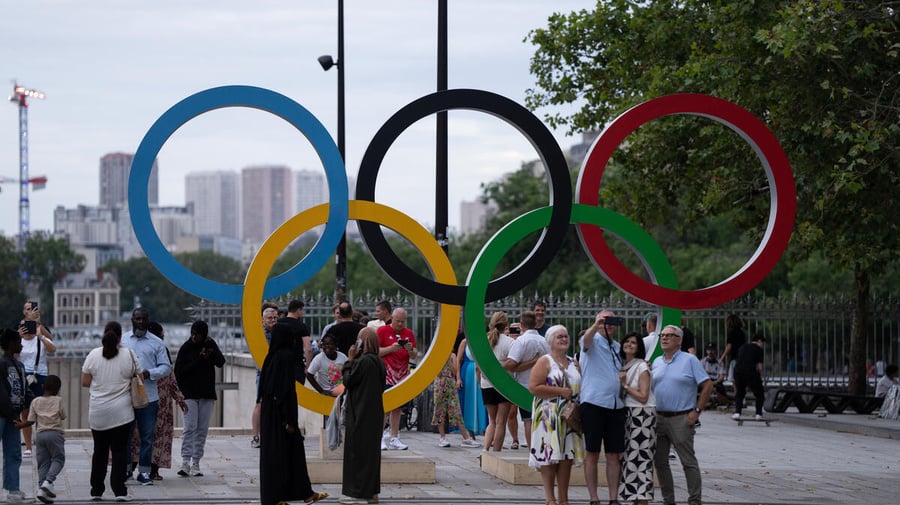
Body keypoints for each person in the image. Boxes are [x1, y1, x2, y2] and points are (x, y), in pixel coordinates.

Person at [258, 323, 327, 505]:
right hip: (282, 415)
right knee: (290, 455)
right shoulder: (286, 357)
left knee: (278, 455)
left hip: (271, 413)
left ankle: (295, 494)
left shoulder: (271, 357)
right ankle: (282, 497)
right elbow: (285, 390)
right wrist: (288, 420)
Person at [651, 325, 713, 505]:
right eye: (662, 335)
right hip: (659, 417)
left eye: (669, 335)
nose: (664, 338)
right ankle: (668, 500)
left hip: (681, 417)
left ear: (679, 340)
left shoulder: (689, 360)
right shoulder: (657, 362)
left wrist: (697, 411)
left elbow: (708, 385)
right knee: (660, 462)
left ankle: (694, 500)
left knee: (688, 461)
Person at [82, 321, 140, 502]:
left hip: (98, 413)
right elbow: (139, 375)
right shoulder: (129, 354)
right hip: (122, 413)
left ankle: (97, 490)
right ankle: (120, 491)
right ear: (120, 337)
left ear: (104, 334)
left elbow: (85, 381)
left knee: (99, 451)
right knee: (119, 452)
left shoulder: (93, 355)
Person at [528, 324, 584, 505]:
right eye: (560, 336)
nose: (564, 339)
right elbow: (534, 387)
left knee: (566, 457)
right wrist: (560, 391)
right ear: (551, 341)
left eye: (566, 336)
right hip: (548, 416)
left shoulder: (574, 362)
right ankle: (550, 499)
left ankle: (563, 499)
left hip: (569, 416)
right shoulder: (545, 361)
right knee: (549, 456)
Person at [578, 310, 626, 505]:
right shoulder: (591, 341)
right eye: (606, 320)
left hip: (616, 404)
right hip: (594, 402)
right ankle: (594, 497)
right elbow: (585, 341)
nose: (609, 324)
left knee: (614, 453)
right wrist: (596, 325)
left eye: (612, 320)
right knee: (592, 452)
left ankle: (613, 498)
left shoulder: (617, 346)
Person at [120, 307, 171, 485]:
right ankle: (126, 470)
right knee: (125, 436)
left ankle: (144, 472)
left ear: (148, 321)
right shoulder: (123, 340)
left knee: (147, 437)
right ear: (132, 320)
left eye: (143, 319)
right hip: (126, 395)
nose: (141, 322)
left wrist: (150, 373)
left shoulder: (157, 342)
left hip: (149, 397)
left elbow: (166, 367)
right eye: (138, 319)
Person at [174, 320, 225, 478]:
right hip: (189, 394)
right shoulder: (186, 348)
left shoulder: (209, 345)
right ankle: (185, 462)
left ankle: (196, 462)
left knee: (202, 429)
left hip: (206, 394)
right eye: (193, 333)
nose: (194, 337)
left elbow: (221, 362)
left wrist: (212, 348)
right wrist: (199, 359)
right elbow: (179, 372)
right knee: (190, 427)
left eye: (198, 334)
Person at [340, 327, 386, 505]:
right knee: (371, 455)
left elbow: (348, 380)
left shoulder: (363, 361)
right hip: (374, 414)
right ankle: (371, 492)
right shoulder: (378, 361)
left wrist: (349, 360)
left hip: (360, 413)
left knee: (357, 453)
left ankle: (357, 493)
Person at [137, 322, 187, 481]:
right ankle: (152, 470)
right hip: (160, 404)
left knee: (142, 435)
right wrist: (180, 399)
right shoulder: (161, 350)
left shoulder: (141, 352)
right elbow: (171, 379)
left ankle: (138, 468)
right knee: (158, 437)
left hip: (144, 401)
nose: (163, 336)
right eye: (161, 334)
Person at [503, 310, 550, 451]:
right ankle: (544, 449)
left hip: (524, 385)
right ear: (535, 323)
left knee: (528, 420)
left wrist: (520, 366)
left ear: (521, 324)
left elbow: (511, 364)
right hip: (543, 385)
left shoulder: (521, 341)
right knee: (542, 419)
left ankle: (532, 451)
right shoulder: (544, 341)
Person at [618, 332, 656, 505]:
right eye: (626, 341)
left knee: (641, 460)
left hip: (642, 416)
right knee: (631, 459)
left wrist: (624, 385)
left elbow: (643, 396)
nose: (629, 344)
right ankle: (635, 500)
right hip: (630, 414)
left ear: (639, 347)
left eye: (633, 342)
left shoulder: (641, 367)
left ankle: (643, 500)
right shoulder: (623, 365)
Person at [18, 300, 56, 459]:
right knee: (25, 412)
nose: (29, 311)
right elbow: (13, 351)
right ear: (24, 312)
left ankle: (42, 444)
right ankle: (28, 446)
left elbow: (52, 347)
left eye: (32, 309)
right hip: (24, 374)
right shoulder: (20, 329)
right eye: (27, 309)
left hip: (39, 373)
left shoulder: (41, 329)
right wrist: (19, 335)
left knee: (42, 412)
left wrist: (40, 333)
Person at [377, 307, 418, 451]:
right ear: (392, 319)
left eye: (403, 321)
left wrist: (409, 349)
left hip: (402, 376)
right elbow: (376, 351)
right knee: (384, 407)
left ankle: (394, 437)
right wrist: (391, 348)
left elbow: (414, 354)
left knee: (397, 407)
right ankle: (380, 437)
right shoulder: (382, 331)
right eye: (397, 321)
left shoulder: (408, 333)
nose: (400, 324)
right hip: (386, 376)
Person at [0, 327, 32, 503]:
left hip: (13, 416)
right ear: (11, 343)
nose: (21, 345)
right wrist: (12, 413)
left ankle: (13, 490)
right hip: (4, 415)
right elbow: (2, 393)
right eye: (19, 342)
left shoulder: (20, 366)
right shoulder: (1, 363)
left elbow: (25, 390)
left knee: (14, 452)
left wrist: (35, 404)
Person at [23, 374, 65, 504]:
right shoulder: (58, 400)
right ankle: (48, 482)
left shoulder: (35, 401)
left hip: (40, 435)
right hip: (55, 434)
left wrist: (20, 425)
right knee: (58, 459)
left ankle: (42, 489)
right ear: (58, 389)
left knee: (43, 463)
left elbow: (30, 420)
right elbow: (63, 416)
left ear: (42, 386)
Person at [480, 311, 515, 453]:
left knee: (492, 420)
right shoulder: (510, 342)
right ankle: (496, 453)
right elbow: (514, 363)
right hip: (504, 384)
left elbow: (479, 363)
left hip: (486, 383)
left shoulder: (484, 340)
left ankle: (485, 449)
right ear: (506, 325)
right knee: (501, 422)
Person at [431, 352, 478, 448]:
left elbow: (455, 371)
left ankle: (465, 438)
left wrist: (448, 361)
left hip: (451, 385)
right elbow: (437, 373)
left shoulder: (452, 356)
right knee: (439, 410)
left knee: (456, 409)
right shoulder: (436, 355)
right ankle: (442, 437)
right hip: (439, 384)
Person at [251, 306, 279, 448]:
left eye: (275, 318)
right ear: (262, 320)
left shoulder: (279, 333)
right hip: (263, 373)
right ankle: (256, 436)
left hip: (277, 372)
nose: (273, 320)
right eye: (269, 318)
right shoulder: (260, 334)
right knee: (260, 404)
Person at [455, 332, 488, 438]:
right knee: (468, 401)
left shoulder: (483, 342)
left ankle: (485, 430)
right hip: (467, 374)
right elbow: (458, 360)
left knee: (482, 402)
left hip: (480, 373)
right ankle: (470, 432)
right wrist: (458, 378)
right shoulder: (464, 342)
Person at [732, 334, 767, 421]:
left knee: (740, 392)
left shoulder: (742, 347)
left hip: (738, 371)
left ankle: (737, 413)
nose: (762, 345)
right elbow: (759, 367)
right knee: (759, 393)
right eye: (762, 343)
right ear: (759, 341)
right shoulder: (758, 349)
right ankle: (758, 414)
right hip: (751, 372)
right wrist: (759, 377)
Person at [278, 299, 312, 379]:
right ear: (298, 310)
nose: (302, 312)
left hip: (280, 364)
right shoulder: (301, 326)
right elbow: (308, 349)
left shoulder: (278, 323)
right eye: (302, 310)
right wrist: (307, 366)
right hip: (296, 365)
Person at [719, 313, 746, 383]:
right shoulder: (741, 332)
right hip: (743, 357)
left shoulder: (731, 332)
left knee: (732, 378)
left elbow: (729, 346)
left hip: (735, 358)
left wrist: (722, 358)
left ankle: (736, 390)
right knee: (740, 379)